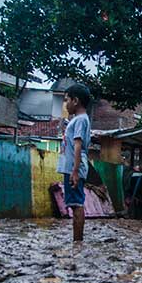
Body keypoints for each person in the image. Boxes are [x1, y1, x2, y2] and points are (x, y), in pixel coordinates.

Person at [56, 83, 92, 242]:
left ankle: (77, 243)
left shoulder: (80, 120)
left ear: (75, 101)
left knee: (77, 204)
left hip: (74, 168)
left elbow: (78, 145)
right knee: (75, 203)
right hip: (73, 167)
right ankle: (77, 241)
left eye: (66, 100)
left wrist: (75, 171)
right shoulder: (80, 120)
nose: (65, 104)